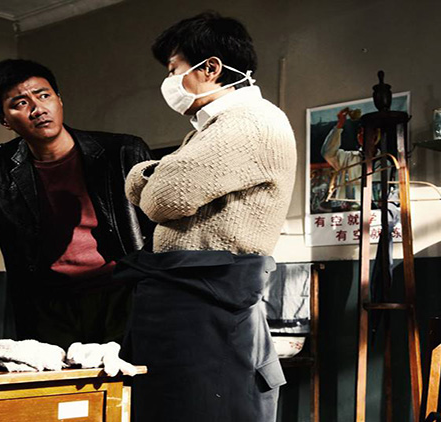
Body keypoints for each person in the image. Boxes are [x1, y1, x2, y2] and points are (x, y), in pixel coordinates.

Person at [0, 59, 153, 350]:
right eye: (20, 103)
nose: (38, 109)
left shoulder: (122, 152)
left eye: (44, 95)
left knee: (131, 376)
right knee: (55, 380)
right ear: (3, 119)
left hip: (123, 292)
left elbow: (160, 229)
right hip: (48, 306)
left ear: (59, 100)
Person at [117, 12, 296, 422]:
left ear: (210, 68)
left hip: (211, 298)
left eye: (173, 69)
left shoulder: (251, 121)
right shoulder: (209, 128)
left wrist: (146, 173)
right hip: (193, 297)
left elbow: (163, 196)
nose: (169, 81)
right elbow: (165, 187)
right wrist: (157, 174)